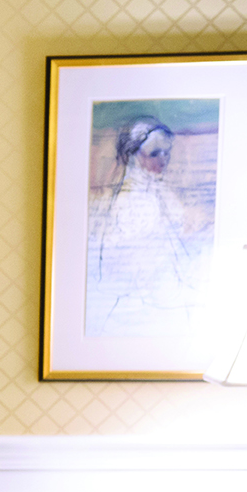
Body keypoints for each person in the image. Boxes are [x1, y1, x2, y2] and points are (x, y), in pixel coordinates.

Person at [85, 114, 211, 337]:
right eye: (154, 153)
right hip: (143, 297)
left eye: (166, 153)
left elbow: (179, 227)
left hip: (164, 287)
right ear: (133, 156)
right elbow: (128, 257)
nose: (163, 159)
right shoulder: (132, 199)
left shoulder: (158, 190)